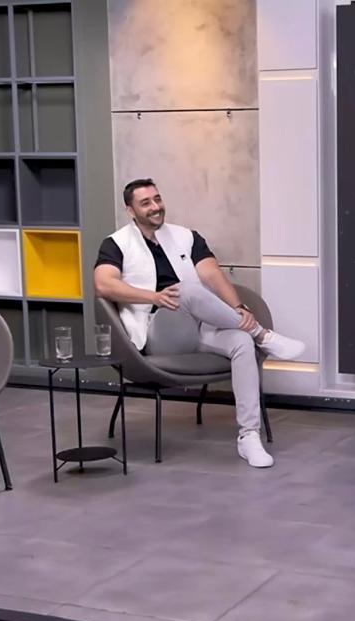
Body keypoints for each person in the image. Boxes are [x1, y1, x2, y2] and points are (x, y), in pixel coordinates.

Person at [93, 178, 305, 468]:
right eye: (146, 203)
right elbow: (103, 285)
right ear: (131, 211)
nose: (155, 206)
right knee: (187, 289)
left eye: (157, 199)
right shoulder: (116, 243)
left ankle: (248, 436)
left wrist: (239, 308)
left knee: (241, 342)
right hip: (158, 334)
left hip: (198, 328)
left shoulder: (186, 237)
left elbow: (213, 276)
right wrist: (153, 297)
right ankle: (262, 334)